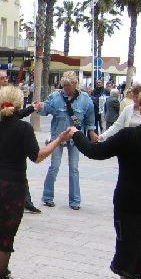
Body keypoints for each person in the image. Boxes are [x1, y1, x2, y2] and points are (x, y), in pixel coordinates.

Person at [0, 86, 71, 279]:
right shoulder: (23, 128)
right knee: (8, 228)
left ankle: (0, 271)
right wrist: (58, 140)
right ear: (19, 104)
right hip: (14, 183)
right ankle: (0, 277)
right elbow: (37, 156)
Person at [71, 91, 141, 279]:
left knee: (125, 241)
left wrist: (77, 135)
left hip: (127, 197)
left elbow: (95, 151)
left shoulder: (128, 136)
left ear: (139, 109)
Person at [0, 69, 42, 214]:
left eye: (6, 77)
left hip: (9, 138)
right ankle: (19, 200)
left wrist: (31, 108)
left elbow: (16, 116)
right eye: (2, 78)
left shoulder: (9, 96)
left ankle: (26, 201)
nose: (5, 80)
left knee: (16, 169)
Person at [37, 71, 97, 210]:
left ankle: (75, 201)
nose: (65, 88)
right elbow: (46, 109)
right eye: (63, 86)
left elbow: (90, 118)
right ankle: (47, 197)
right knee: (54, 167)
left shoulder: (85, 99)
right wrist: (40, 107)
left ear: (75, 84)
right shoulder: (55, 97)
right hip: (58, 137)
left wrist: (92, 132)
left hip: (76, 139)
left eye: (68, 86)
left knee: (74, 169)